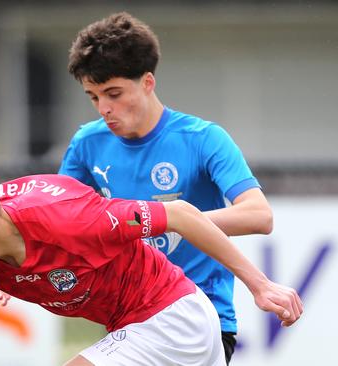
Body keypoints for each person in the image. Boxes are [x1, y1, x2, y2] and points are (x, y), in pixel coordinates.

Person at [0, 163, 302, 366]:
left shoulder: (69, 217)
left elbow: (181, 215)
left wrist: (260, 285)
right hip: (138, 331)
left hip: (173, 320)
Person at [59, 12, 273, 363]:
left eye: (113, 93)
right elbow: (59, 220)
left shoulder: (202, 139)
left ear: (147, 82)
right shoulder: (87, 143)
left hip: (198, 314)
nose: (104, 109)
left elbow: (259, 214)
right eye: (93, 97)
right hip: (127, 318)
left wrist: (172, 220)